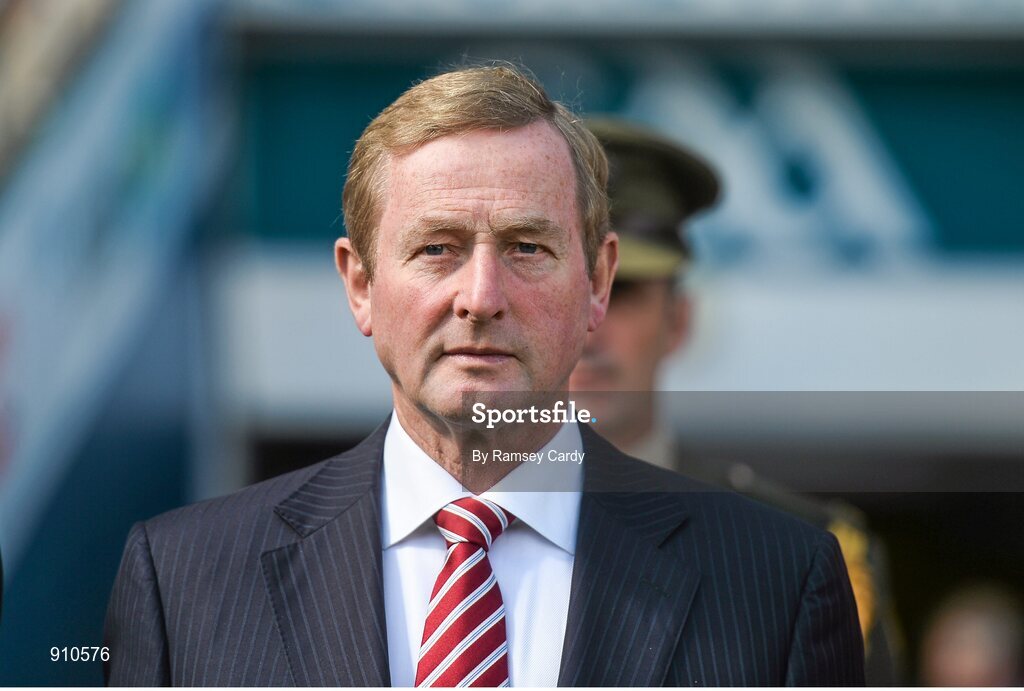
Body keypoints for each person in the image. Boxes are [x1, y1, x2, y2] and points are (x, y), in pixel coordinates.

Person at [104, 65, 864, 686]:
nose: (481, 297)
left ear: (598, 282)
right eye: (436, 247)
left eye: (527, 247)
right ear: (360, 284)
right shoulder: (185, 582)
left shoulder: (775, 581)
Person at [571, 117, 902, 684]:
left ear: (679, 322)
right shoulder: (456, 532)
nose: (590, 326)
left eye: (619, 293)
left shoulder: (803, 552)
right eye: (569, 290)